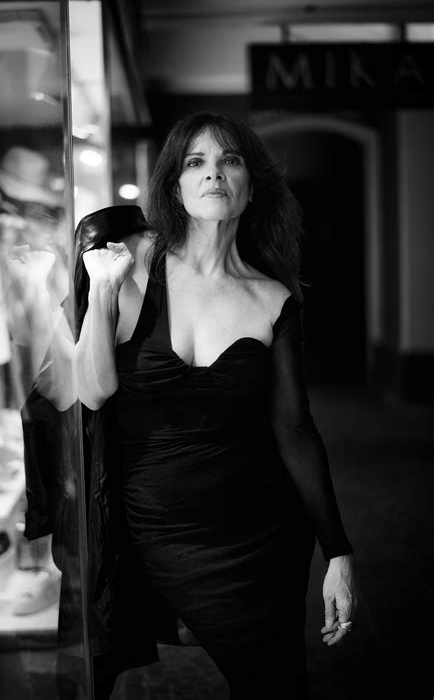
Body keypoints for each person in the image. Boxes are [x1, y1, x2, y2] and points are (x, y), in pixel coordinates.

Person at [75, 112, 356, 699]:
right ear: (174, 185)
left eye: (230, 160)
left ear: (251, 186)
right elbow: (93, 391)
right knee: (95, 674)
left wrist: (338, 551)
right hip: (152, 528)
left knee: (275, 687)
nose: (214, 174)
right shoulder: (131, 265)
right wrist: (101, 289)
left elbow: (296, 429)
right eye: (195, 162)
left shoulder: (272, 298)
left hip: (259, 539)